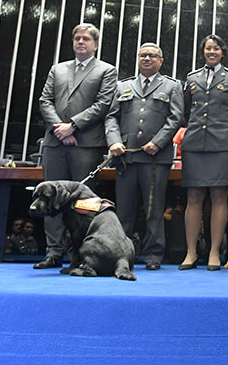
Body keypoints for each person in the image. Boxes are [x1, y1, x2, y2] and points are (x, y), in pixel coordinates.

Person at [36, 23, 117, 269]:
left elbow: (103, 105)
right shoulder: (57, 69)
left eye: (86, 39)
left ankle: (81, 253)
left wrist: (73, 126)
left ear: (96, 44)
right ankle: (53, 252)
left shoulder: (107, 70)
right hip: (55, 143)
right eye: (77, 39)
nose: (80, 42)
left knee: (83, 204)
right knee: (49, 199)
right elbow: (45, 100)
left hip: (86, 144)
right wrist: (60, 129)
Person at [105, 42, 184, 270]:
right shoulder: (123, 86)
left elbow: (176, 118)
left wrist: (158, 142)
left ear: (161, 61)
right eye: (143, 55)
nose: (147, 59)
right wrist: (114, 141)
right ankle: (121, 254)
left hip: (155, 158)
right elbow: (111, 117)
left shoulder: (171, 86)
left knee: (154, 210)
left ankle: (153, 256)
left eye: (152, 56)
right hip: (126, 157)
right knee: (124, 211)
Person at [178, 34, 228, 271]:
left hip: (221, 144)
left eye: (216, 48)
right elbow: (185, 111)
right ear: (203, 51)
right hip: (195, 143)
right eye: (208, 48)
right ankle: (191, 252)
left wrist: (225, 130)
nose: (212, 52)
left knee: (218, 196)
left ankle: (215, 253)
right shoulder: (192, 77)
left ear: (222, 52)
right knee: (194, 197)